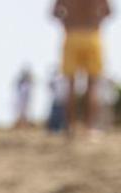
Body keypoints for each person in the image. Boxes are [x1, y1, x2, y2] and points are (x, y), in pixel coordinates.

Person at [52, 0, 112, 138]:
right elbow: (109, 12)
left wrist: (66, 23)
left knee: (70, 84)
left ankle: (70, 127)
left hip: (72, 34)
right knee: (92, 85)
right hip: (92, 34)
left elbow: (54, 12)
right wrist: (96, 22)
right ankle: (89, 127)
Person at [46, 67, 68, 134]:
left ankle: (57, 129)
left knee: (59, 116)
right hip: (59, 100)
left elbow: (50, 85)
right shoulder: (61, 78)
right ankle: (55, 129)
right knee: (57, 116)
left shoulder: (60, 78)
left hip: (60, 100)